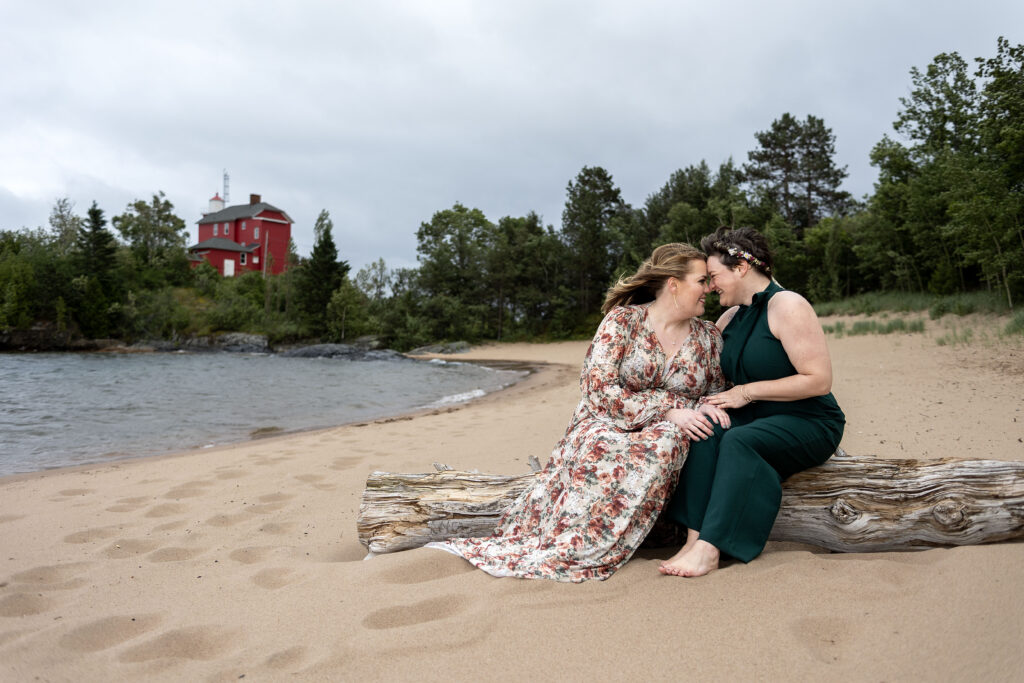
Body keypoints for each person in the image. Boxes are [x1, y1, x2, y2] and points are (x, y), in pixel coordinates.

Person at [427, 243, 729, 581]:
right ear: (673, 283)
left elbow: (714, 394)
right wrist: (668, 409)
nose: (710, 289)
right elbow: (597, 388)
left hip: (669, 432)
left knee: (669, 441)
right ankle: (577, 544)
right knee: (610, 444)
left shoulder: (708, 337)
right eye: (702, 281)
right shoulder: (623, 322)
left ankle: (641, 530)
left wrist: (700, 409)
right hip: (606, 421)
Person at [659, 226, 845, 578]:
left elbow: (818, 380)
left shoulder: (787, 305)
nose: (711, 286)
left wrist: (747, 392)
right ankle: (693, 538)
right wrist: (705, 406)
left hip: (809, 421)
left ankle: (711, 549)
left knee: (739, 440)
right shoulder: (729, 318)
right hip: (760, 419)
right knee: (705, 429)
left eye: (714, 276)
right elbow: (713, 378)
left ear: (741, 267)